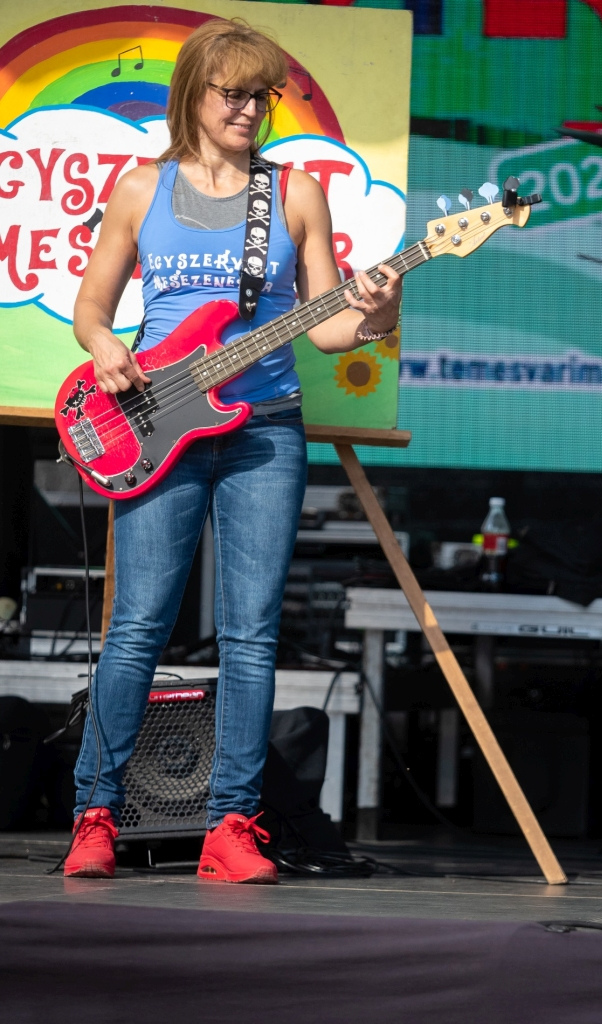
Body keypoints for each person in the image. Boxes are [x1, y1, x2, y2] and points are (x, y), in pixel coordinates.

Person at [64, 18, 402, 882]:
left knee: (251, 636)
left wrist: (380, 312)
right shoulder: (141, 188)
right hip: (156, 425)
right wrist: (104, 345)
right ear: (194, 94)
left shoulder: (292, 193)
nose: (249, 109)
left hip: (264, 430)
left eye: (262, 96)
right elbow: (92, 308)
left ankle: (232, 826)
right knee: (137, 627)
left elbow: (326, 329)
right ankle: (94, 815)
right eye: (233, 94)